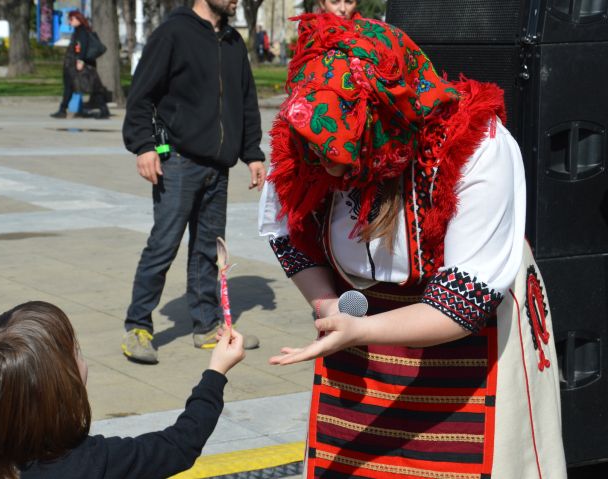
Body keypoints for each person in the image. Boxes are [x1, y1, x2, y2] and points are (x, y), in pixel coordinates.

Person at [259, 0, 567, 477]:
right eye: (318, 156)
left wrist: (359, 329)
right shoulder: (309, 137)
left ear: (387, 129)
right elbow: (287, 235)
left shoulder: (476, 148)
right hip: (357, 332)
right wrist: (327, 308)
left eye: (342, 156)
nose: (327, 170)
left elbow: (462, 304)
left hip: (471, 337)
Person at [0, 301, 246, 479]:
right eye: (77, 352)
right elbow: (179, 445)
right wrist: (215, 372)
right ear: (56, 385)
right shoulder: (91, 463)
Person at [121, 0, 266, 364]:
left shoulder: (233, 42)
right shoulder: (173, 33)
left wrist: (253, 153)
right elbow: (141, 96)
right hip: (178, 162)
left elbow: (246, 101)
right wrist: (144, 146)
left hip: (218, 166)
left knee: (208, 251)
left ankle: (206, 325)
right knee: (163, 245)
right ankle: (138, 326)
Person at [50, 10, 110, 119]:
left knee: (91, 87)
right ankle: (63, 109)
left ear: (79, 19)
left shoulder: (81, 32)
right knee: (76, 87)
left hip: (78, 65)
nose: (70, 21)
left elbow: (81, 47)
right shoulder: (80, 31)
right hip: (76, 65)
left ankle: (103, 110)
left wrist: (80, 61)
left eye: (72, 19)